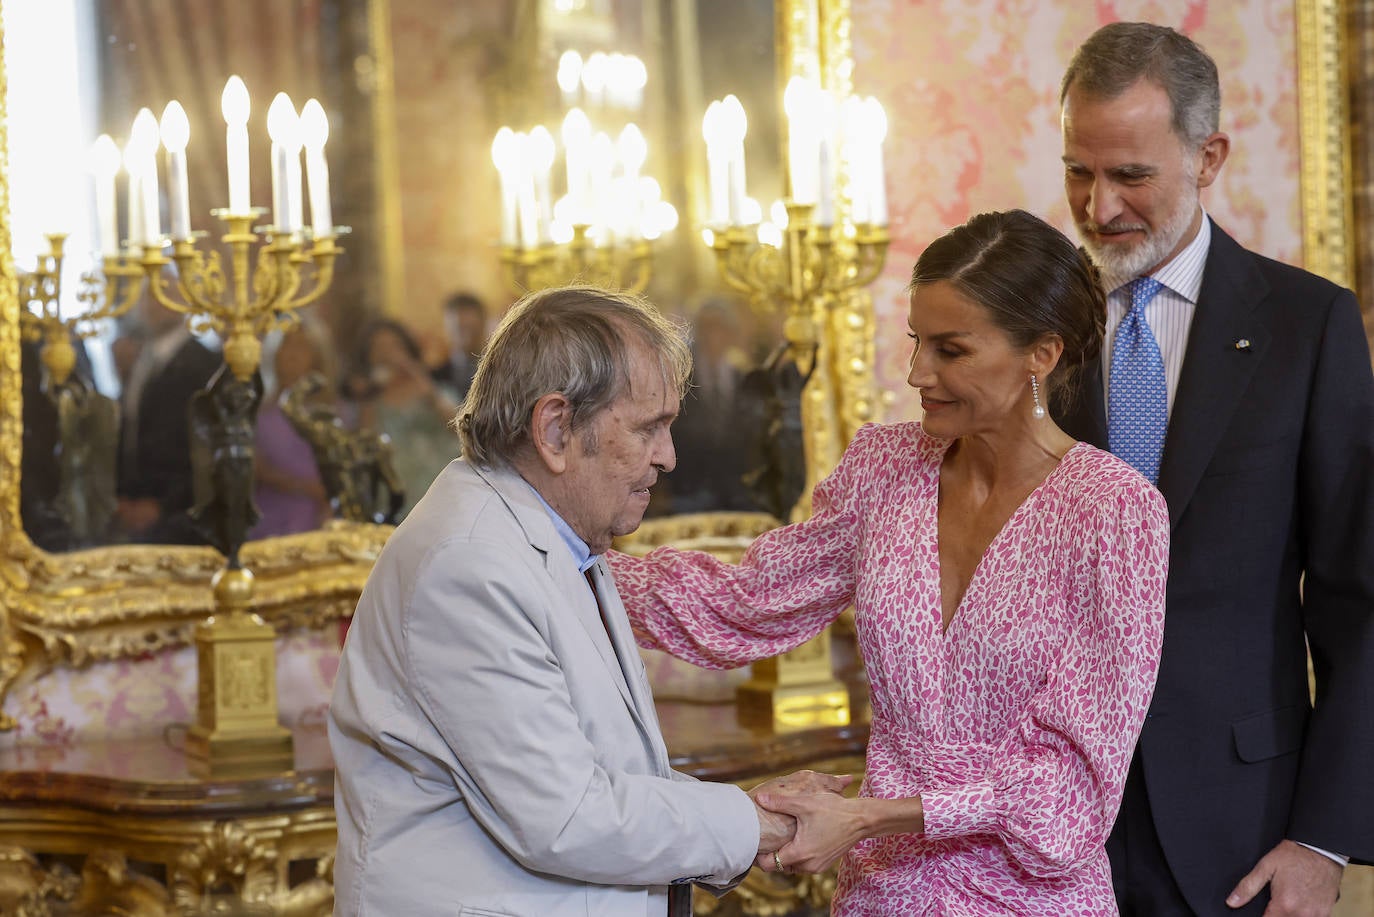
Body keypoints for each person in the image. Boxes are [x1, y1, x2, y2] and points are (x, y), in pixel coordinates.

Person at [609, 210, 1170, 914]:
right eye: (916, 342)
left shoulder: (1115, 512)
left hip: (1030, 897)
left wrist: (877, 814)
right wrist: (573, 565)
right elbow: (747, 600)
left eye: (951, 349)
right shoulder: (883, 467)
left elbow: (1072, 788)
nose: (916, 372)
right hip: (885, 890)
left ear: (1042, 352)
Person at [328, 285, 845, 916]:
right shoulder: (471, 563)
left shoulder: (547, 534)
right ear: (554, 428)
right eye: (649, 428)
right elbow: (568, 815)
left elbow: (599, 776)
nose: (669, 457)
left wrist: (749, 812)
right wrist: (759, 823)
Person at [1056, 22, 1374, 916]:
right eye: (1080, 170)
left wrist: (1323, 838)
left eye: (1131, 175)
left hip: (1242, 830)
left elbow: (1359, 602)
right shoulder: (1037, 328)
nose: (1099, 205)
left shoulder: (1309, 326)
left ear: (1208, 157)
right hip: (1051, 828)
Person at [115, 298, 220, 544]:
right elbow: (131, 430)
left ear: (185, 300)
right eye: (150, 296)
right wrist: (122, 496)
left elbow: (208, 448)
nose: (154, 304)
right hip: (134, 507)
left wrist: (164, 505)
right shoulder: (143, 358)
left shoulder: (205, 363)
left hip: (181, 515)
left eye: (165, 294)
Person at [347, 318, 460, 519]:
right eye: (379, 348)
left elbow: (461, 428)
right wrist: (369, 396)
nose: (387, 354)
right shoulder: (369, 402)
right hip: (392, 496)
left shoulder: (434, 391)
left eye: (394, 346)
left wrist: (426, 388)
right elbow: (363, 448)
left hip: (438, 491)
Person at [251, 322, 335, 538]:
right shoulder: (258, 413)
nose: (292, 355)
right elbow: (256, 470)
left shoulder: (331, 413)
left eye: (302, 347)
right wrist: (304, 487)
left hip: (321, 519)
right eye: (286, 346)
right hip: (269, 519)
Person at [431, 290, 489, 400]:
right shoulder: (434, 377)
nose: (465, 337)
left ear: (483, 324)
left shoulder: (501, 371)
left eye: (470, 328)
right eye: (458, 329)